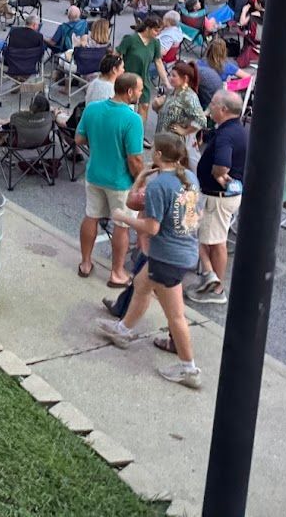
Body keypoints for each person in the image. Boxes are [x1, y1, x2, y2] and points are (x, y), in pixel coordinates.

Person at [95, 132, 203, 389]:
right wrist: (142, 177)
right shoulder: (190, 178)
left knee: (175, 315)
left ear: (157, 155)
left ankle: (189, 368)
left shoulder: (159, 186)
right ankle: (123, 330)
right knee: (142, 285)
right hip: (185, 251)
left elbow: (152, 227)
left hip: (167, 256)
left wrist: (124, 216)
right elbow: (192, 216)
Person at [75, 73, 146, 285]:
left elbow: (79, 138)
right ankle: (116, 273)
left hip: (94, 174)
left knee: (91, 216)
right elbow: (134, 159)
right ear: (130, 91)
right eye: (140, 90)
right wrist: (140, 180)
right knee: (121, 225)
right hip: (120, 181)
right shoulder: (133, 119)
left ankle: (85, 263)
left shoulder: (93, 109)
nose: (141, 94)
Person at [190, 90, 247, 305]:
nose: (210, 106)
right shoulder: (236, 130)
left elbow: (222, 163)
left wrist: (218, 174)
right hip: (224, 195)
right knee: (210, 239)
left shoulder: (226, 135)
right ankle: (211, 278)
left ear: (223, 109)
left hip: (218, 196)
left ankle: (216, 287)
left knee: (214, 241)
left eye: (213, 103)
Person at [118, 15, 165, 126]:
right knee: (126, 107)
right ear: (147, 28)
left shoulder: (155, 43)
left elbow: (158, 62)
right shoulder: (130, 39)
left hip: (144, 79)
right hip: (127, 78)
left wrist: (166, 81)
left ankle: (139, 133)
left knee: (144, 106)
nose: (157, 33)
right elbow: (118, 55)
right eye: (156, 30)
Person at [152, 61, 207, 143]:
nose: (170, 78)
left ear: (185, 78)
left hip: (174, 143)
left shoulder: (189, 97)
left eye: (174, 76)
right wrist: (156, 105)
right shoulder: (172, 92)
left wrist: (184, 131)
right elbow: (165, 113)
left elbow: (201, 120)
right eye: (170, 75)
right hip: (161, 138)